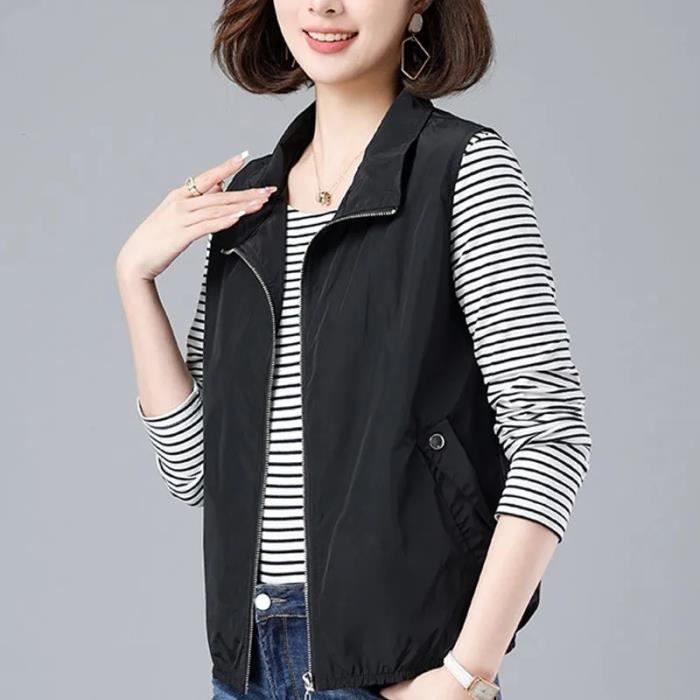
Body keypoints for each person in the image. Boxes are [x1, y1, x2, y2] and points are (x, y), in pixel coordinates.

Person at [116, 1, 592, 698]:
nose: (324, 5)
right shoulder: (248, 204)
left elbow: (551, 434)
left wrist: (468, 673)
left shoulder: (461, 168)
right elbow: (197, 473)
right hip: (246, 667)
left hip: (392, 669)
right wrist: (136, 281)